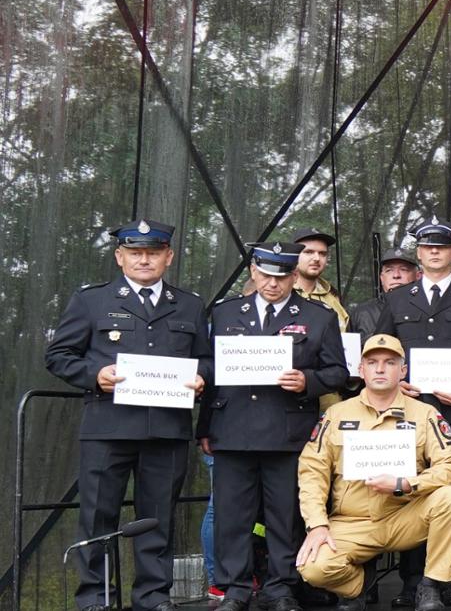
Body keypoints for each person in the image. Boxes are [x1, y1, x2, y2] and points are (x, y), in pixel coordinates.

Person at [45, 219, 210, 611]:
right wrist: (94, 375)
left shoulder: (189, 304)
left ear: (168, 257)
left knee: (158, 519)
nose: (144, 260)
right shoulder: (91, 300)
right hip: (108, 427)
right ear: (120, 257)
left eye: (153, 252)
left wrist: (202, 376)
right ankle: (96, 600)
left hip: (166, 429)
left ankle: (152, 599)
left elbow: (206, 358)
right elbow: (58, 356)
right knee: (98, 516)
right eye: (135, 252)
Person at [201, 242, 350, 611]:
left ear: (294, 277)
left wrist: (307, 381)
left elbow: (339, 372)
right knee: (232, 515)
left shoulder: (319, 317)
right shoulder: (224, 314)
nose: (273, 283)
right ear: (253, 272)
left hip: (288, 431)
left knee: (285, 515)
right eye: (266, 275)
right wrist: (203, 428)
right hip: (232, 427)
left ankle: (281, 587)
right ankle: (234, 588)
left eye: (282, 276)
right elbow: (210, 373)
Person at [374, 216, 451, 608]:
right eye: (427, 247)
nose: (434, 252)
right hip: (405, 413)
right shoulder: (397, 299)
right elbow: (381, 349)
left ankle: (450, 579)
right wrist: (396, 381)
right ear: (419, 253)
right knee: (409, 495)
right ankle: (413, 581)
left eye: (441, 247)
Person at [295, 334, 451, 611]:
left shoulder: (425, 413)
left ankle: (431, 585)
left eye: (390, 362)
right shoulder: (336, 415)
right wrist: (317, 524)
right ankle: (359, 587)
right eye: (372, 362)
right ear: (361, 369)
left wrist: (406, 483)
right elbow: (311, 472)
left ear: (403, 371)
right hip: (353, 522)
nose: (380, 369)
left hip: (406, 516)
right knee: (312, 567)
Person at [290, 226, 352, 331]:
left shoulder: (333, 299)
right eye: (309, 252)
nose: (317, 258)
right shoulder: (278, 292)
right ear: (293, 255)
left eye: (322, 253)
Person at [348, 248, 418, 336]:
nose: (396, 275)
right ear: (382, 278)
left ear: (418, 276)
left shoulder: (426, 309)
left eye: (403, 270)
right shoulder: (362, 313)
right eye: (389, 270)